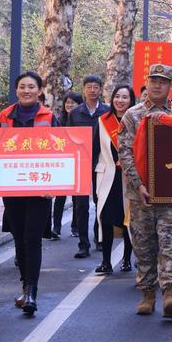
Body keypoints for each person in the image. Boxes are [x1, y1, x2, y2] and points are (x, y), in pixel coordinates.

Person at [0, 71, 59, 317]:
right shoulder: (4, 116)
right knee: (19, 237)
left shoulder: (50, 117)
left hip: (40, 190)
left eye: (31, 87)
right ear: (16, 91)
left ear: (40, 91)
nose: (26, 90)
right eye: (22, 87)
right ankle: (25, 285)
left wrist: (54, 185)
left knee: (32, 239)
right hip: (12, 188)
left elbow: (59, 152)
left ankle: (32, 291)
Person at [118, 64, 172, 318]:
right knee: (143, 245)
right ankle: (147, 293)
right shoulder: (132, 115)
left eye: (163, 81)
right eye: (153, 81)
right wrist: (139, 185)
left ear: (170, 86)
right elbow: (125, 153)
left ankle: (170, 291)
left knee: (170, 243)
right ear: (146, 84)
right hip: (140, 195)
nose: (157, 85)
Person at [93, 85, 135, 275]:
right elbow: (95, 152)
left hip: (130, 178)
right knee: (106, 220)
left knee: (128, 221)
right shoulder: (103, 121)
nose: (120, 100)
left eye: (125, 97)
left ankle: (127, 260)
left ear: (131, 101)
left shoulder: (136, 120)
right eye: (117, 96)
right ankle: (106, 261)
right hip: (108, 178)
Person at [67, 76, 110, 259]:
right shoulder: (75, 113)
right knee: (81, 205)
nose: (92, 90)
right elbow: (68, 139)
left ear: (100, 89)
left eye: (96, 87)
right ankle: (83, 244)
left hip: (102, 161)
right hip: (80, 163)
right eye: (89, 87)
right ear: (83, 90)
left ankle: (99, 238)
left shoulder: (107, 111)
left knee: (100, 201)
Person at [51, 91, 83, 238]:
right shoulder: (58, 120)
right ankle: (56, 227)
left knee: (77, 198)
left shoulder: (82, 119)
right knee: (60, 197)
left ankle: (75, 227)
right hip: (62, 163)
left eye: (73, 103)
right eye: (67, 102)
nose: (69, 105)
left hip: (79, 162)